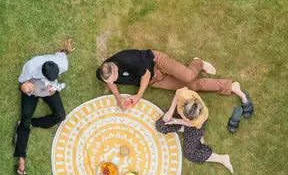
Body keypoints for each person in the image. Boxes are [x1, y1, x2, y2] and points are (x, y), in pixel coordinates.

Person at [96, 50, 254, 121]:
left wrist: (138, 95)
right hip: (155, 80)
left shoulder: (128, 60)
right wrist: (118, 99)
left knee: (188, 75)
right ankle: (231, 86)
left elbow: (145, 75)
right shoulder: (105, 72)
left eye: (113, 78)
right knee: (193, 86)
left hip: (157, 63)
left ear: (115, 68)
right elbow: (110, 82)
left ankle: (198, 62)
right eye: (108, 81)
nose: (111, 82)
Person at [13, 38, 74, 175]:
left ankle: (32, 124)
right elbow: (22, 83)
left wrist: (65, 50)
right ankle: (21, 158)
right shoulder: (31, 67)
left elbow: (62, 54)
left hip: (48, 88)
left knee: (60, 116)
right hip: (32, 85)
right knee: (25, 116)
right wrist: (28, 88)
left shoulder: (62, 65)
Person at [156, 87, 233, 173]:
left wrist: (176, 121)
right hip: (185, 117)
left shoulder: (199, 119)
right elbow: (177, 93)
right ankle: (187, 131)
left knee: (189, 154)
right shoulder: (185, 95)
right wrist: (170, 112)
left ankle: (222, 158)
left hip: (193, 126)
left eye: (187, 118)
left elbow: (190, 123)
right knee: (160, 126)